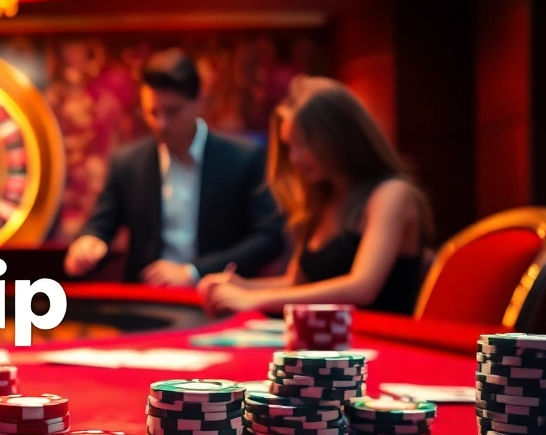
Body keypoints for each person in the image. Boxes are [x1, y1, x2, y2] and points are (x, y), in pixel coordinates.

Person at [198, 76, 430, 315]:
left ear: (338, 138)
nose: (295, 159)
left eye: (303, 145)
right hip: (327, 343)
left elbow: (362, 287)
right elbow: (296, 283)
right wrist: (242, 285)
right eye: (290, 147)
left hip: (382, 343)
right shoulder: (323, 197)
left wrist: (254, 299)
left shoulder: (391, 194)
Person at [64, 49, 285, 285]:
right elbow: (100, 225)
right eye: (152, 112)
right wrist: (88, 243)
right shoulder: (127, 163)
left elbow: (270, 238)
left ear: (199, 101)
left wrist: (193, 272)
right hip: (148, 301)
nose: (161, 124)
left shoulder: (243, 158)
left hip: (220, 296)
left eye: (172, 111)